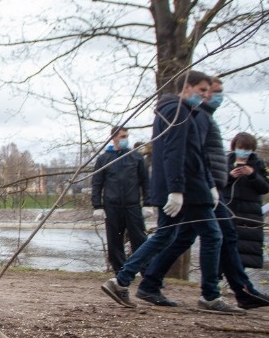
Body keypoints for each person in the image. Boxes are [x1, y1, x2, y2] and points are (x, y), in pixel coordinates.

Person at [101, 71, 242, 313]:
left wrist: (210, 184)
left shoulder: (186, 112)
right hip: (187, 188)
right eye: (202, 90)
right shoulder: (176, 112)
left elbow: (196, 153)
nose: (206, 96)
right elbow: (174, 153)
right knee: (211, 236)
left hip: (192, 186)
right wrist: (176, 190)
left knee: (165, 236)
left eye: (208, 92)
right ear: (187, 87)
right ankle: (209, 295)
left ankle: (123, 280)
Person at [131, 80, 269, 309]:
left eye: (215, 92)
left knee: (183, 237)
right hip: (201, 189)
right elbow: (195, 155)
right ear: (193, 90)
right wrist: (206, 186)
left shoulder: (199, 116)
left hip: (202, 188)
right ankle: (221, 293)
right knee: (217, 236)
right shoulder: (196, 116)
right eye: (209, 92)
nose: (214, 96)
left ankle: (149, 282)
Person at [91, 126, 148, 272]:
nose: (125, 139)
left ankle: (147, 272)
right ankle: (121, 273)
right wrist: (97, 206)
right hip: (112, 207)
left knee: (140, 240)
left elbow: (146, 181)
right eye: (122, 136)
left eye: (127, 136)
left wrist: (148, 203)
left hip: (132, 205)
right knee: (115, 242)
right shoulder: (104, 159)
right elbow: (97, 183)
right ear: (113, 138)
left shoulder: (136, 157)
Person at [225, 132, 269, 269]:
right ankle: (217, 279)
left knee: (244, 249)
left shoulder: (259, 164)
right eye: (241, 148)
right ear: (234, 147)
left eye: (247, 149)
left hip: (249, 213)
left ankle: (240, 282)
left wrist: (253, 175)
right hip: (227, 209)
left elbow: (265, 188)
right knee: (222, 245)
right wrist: (230, 176)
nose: (243, 152)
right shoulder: (225, 161)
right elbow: (215, 184)